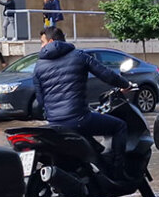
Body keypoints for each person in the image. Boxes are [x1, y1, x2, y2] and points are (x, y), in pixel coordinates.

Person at [33, 26, 134, 174]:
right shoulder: (79, 56)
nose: (41, 46)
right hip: (79, 119)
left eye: (42, 42)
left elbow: (41, 100)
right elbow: (106, 74)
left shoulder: (38, 66)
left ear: (51, 41)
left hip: (54, 123)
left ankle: (96, 164)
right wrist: (126, 85)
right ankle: (118, 170)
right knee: (120, 127)